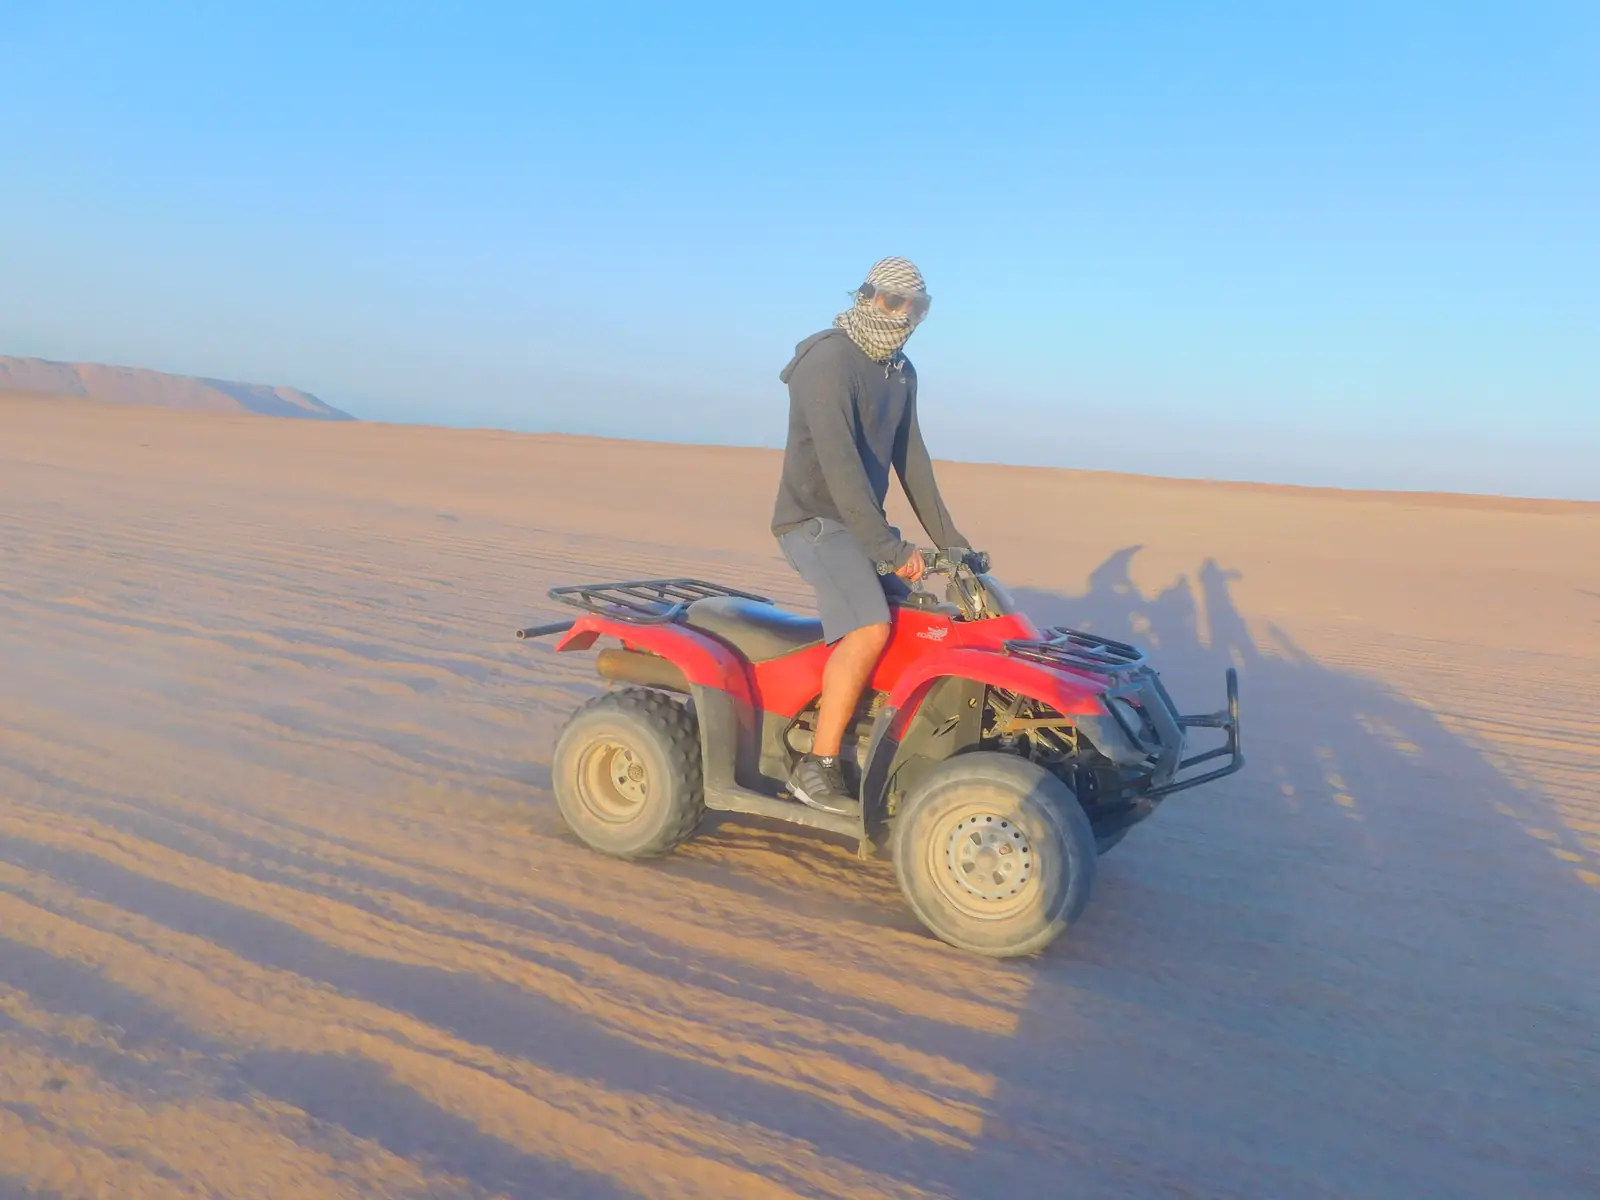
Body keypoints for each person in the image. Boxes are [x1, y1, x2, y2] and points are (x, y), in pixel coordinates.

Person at [770, 256, 972, 816]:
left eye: (917, 307)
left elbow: (912, 461)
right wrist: (888, 549)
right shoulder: (828, 361)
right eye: (892, 301)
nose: (903, 315)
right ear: (866, 296)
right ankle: (817, 765)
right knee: (868, 627)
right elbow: (840, 468)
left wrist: (953, 544)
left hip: (861, 523)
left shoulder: (900, 372)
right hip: (812, 522)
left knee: (919, 621)